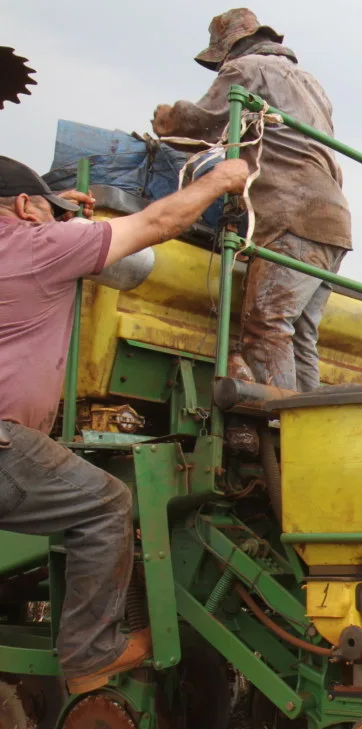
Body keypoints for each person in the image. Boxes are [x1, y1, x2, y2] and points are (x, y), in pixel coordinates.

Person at [0, 154, 250, 693]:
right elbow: (157, 226)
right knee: (106, 503)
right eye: (50, 209)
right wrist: (221, 181)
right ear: (23, 205)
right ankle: (91, 655)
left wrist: (66, 221)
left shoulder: (36, 244)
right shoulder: (37, 246)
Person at [152, 8, 352, 394]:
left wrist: (165, 119)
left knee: (266, 328)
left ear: (228, 49)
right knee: (298, 335)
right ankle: (307, 424)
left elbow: (204, 122)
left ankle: (279, 424)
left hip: (292, 214)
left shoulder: (245, 69)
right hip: (334, 219)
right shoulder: (312, 84)